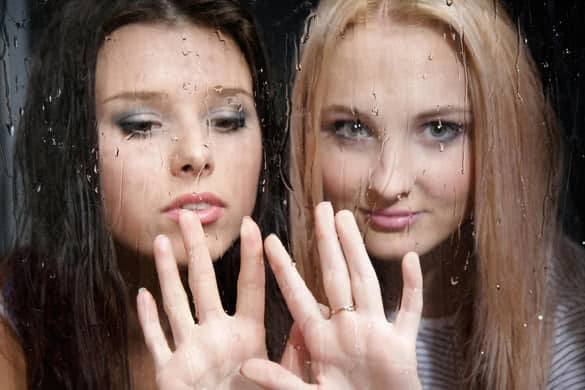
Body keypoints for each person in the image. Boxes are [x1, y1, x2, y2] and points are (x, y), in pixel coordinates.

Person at [241, 0, 585, 389]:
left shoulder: (570, 325)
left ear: (501, 140)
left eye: (439, 128)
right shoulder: (256, 312)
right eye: (352, 128)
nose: (388, 183)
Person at [0, 0, 291, 388]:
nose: (195, 154)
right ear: (72, 148)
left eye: (227, 120)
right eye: (141, 124)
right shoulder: (14, 337)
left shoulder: (313, 321)